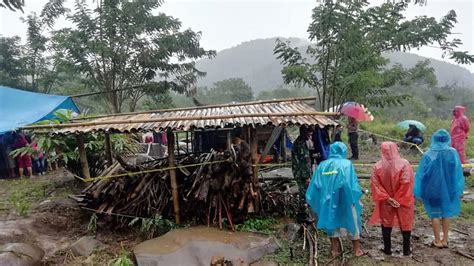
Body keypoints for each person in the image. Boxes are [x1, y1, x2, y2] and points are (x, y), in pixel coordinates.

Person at [306, 142, 365, 257]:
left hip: (328, 200)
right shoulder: (347, 164)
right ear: (343, 151)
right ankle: (357, 250)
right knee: (352, 220)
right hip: (345, 198)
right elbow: (350, 183)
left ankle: (334, 250)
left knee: (331, 221)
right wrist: (356, 192)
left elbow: (316, 184)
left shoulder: (322, 165)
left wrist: (323, 195)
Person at [414, 129, 464, 248]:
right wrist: (458, 188)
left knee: (434, 214)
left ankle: (437, 240)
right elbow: (457, 172)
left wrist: (418, 190)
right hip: (449, 187)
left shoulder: (428, 154)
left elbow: (421, 174)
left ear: (434, 139)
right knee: (446, 213)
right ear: (447, 139)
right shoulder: (452, 152)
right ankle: (445, 239)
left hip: (432, 188)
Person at [369, 142, 414, 256]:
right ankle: (406, 250)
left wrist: (388, 198)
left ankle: (387, 249)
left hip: (386, 201)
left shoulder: (377, 166)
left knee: (386, 223)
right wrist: (398, 198)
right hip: (403, 199)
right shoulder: (404, 164)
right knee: (406, 222)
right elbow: (407, 182)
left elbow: (376, 184)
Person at [291, 125, 313, 221]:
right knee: (304, 194)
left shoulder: (299, 142)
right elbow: (305, 162)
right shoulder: (301, 144)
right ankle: (303, 215)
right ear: (304, 133)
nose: (310, 135)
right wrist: (307, 176)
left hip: (298, 172)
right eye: (309, 133)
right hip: (302, 174)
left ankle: (302, 214)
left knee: (303, 193)